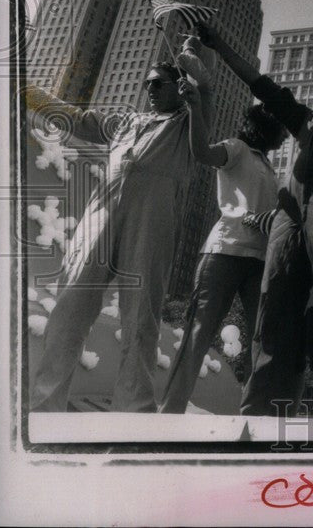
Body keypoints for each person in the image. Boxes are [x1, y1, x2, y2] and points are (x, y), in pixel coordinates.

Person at [196, 21, 313, 417]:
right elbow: (261, 85)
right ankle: (258, 414)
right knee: (272, 316)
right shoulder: (306, 121)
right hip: (288, 225)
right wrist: (220, 45)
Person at [26, 58, 202, 412]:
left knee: (140, 322)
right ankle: (45, 408)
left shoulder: (188, 125)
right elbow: (75, 117)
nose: (149, 89)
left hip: (150, 228)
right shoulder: (126, 122)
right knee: (68, 311)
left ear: (180, 89)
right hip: (99, 222)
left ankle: (132, 417)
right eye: (147, 83)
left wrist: (196, 90)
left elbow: (205, 101)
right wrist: (26, 90)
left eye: (159, 83)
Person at [158, 98, 287, 414]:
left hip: (260, 261)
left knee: (265, 339)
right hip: (224, 253)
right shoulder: (237, 149)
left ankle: (253, 414)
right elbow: (202, 152)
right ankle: (169, 414)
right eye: (281, 129)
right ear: (266, 127)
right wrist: (195, 104)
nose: (285, 136)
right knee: (198, 333)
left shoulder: (269, 168)